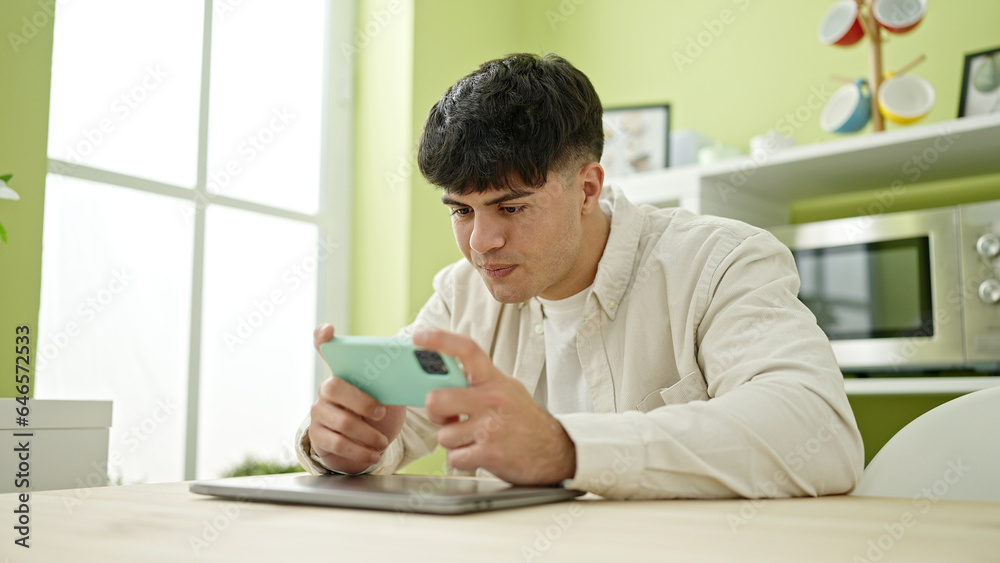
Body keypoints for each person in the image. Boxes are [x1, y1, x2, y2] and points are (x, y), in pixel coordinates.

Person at [295, 52, 864, 500]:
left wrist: (564, 449)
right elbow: (395, 421)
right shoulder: (461, 293)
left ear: (587, 188)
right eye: (461, 211)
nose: (480, 242)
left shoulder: (722, 261)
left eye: (511, 208)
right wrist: (345, 443)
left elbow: (818, 434)